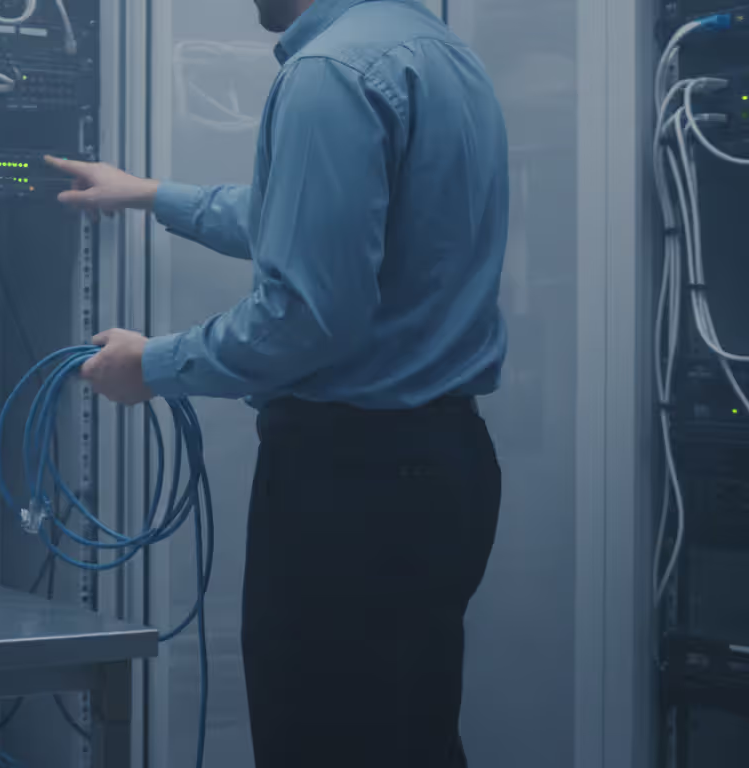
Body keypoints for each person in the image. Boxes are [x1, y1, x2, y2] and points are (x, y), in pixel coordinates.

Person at [45, 0, 508, 765]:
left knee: (322, 741)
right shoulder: (437, 52)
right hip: (442, 467)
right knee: (407, 736)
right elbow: (307, 218)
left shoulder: (330, 71)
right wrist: (150, 193)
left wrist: (151, 366)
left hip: (354, 484)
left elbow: (304, 319)